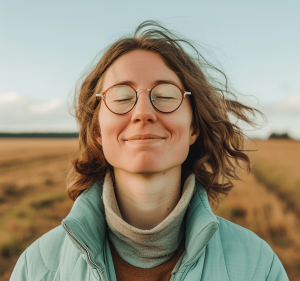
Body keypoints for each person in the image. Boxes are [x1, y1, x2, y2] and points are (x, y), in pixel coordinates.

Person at [10, 21, 289, 281]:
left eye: (165, 96)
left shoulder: (256, 265)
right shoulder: (37, 266)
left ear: (193, 127)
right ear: (98, 132)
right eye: (121, 98)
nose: (143, 113)